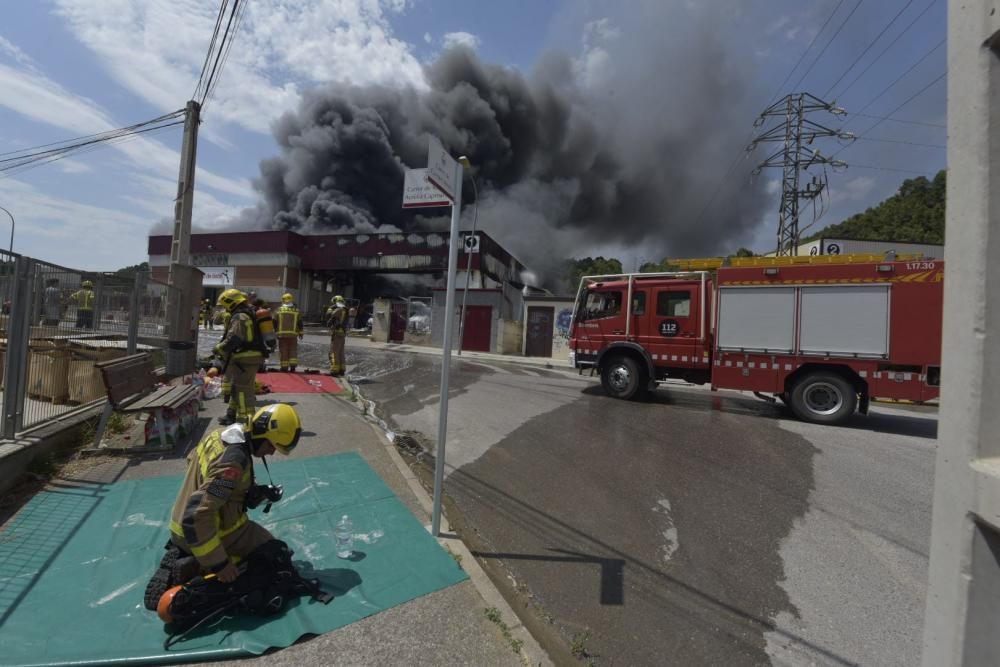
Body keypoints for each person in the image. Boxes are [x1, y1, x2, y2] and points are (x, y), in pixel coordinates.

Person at [165, 404, 302, 584]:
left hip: (180, 527)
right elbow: (197, 514)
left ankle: (190, 553)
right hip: (204, 531)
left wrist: (254, 492)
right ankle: (201, 568)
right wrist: (220, 564)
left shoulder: (219, 435)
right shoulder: (233, 466)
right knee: (276, 556)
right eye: (271, 445)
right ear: (260, 436)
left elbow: (197, 465)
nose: (272, 451)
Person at [213, 288, 266, 425]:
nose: (224, 308)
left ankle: (246, 421)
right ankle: (231, 415)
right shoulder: (246, 313)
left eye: (225, 305)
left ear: (231, 303)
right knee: (236, 387)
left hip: (246, 357)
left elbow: (234, 338)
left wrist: (219, 348)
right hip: (247, 356)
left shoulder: (240, 316)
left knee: (243, 390)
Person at [275, 293, 303, 372]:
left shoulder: (278, 310)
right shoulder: (297, 310)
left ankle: (284, 367)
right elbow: (300, 323)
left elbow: (274, 322)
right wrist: (301, 332)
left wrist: (274, 332)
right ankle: (293, 366)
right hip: (293, 335)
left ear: (283, 300)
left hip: (282, 335)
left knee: (283, 350)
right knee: (293, 350)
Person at [326, 295, 348, 376]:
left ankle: (334, 370)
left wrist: (330, 308)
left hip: (336, 333)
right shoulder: (345, 309)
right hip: (342, 333)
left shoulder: (338, 309)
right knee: (340, 352)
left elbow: (328, 315)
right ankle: (341, 369)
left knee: (333, 352)